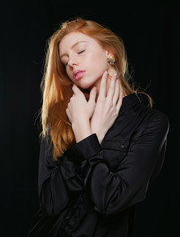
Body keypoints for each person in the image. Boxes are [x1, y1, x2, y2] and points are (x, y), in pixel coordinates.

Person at [27, 18, 169, 237]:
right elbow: (50, 203)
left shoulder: (150, 123)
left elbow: (111, 201)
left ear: (109, 52)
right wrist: (92, 130)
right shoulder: (60, 116)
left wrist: (86, 134)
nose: (71, 63)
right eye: (65, 61)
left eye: (80, 51)